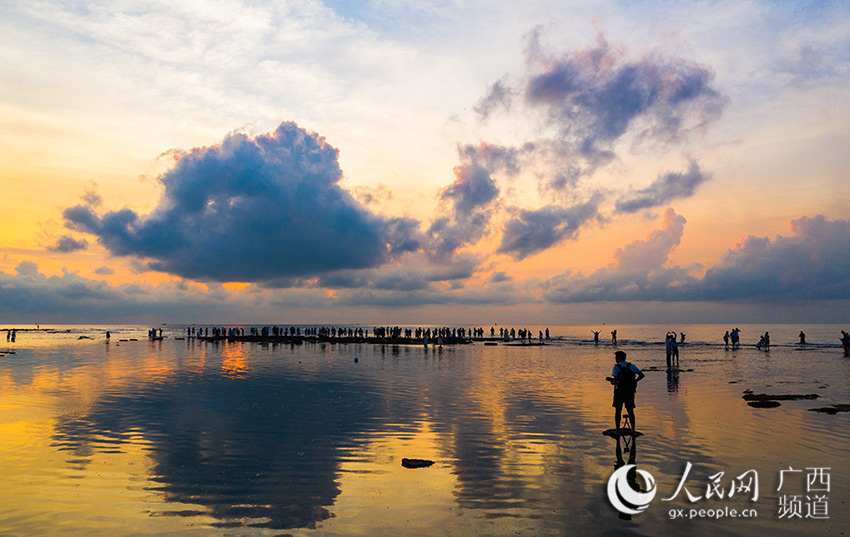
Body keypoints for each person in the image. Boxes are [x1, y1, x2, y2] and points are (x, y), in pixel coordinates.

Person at [606, 350, 645, 436]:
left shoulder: (616, 367)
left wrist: (612, 382)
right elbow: (642, 375)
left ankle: (617, 430)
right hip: (630, 391)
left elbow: (615, 380)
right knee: (630, 410)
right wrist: (635, 381)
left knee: (618, 410)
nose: (615, 359)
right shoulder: (631, 366)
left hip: (619, 391)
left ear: (619, 358)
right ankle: (633, 431)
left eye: (616, 357)